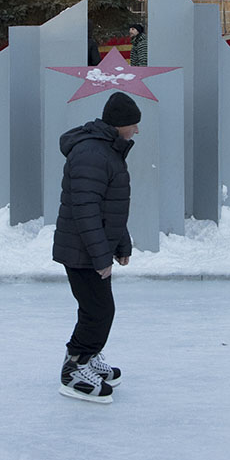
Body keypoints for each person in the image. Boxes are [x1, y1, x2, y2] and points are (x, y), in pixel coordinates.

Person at [53, 91, 139, 404]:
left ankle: (86, 358)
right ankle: (75, 369)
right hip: (82, 249)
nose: (136, 131)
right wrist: (101, 256)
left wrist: (121, 242)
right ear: (119, 125)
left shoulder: (106, 150)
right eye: (133, 125)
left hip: (91, 246)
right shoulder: (93, 153)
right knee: (98, 311)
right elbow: (85, 210)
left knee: (96, 309)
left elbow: (110, 206)